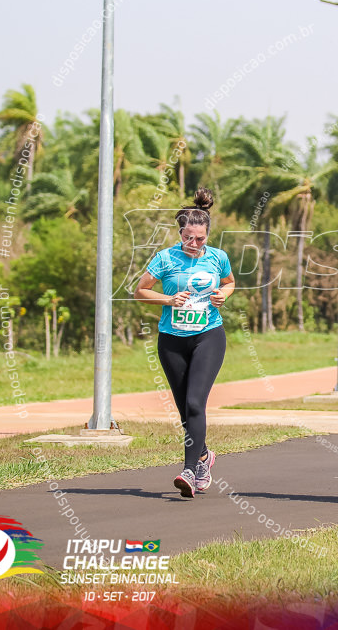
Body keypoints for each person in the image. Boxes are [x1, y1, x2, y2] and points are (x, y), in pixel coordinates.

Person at [134, 188, 235, 498]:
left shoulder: (218, 257)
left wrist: (223, 295)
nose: (193, 244)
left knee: (195, 403)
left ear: (207, 235)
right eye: (188, 238)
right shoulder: (165, 258)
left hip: (208, 336)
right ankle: (204, 455)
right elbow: (140, 290)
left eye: (200, 239)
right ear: (180, 233)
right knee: (183, 409)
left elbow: (230, 283)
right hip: (172, 341)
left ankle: (190, 470)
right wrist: (168, 298)